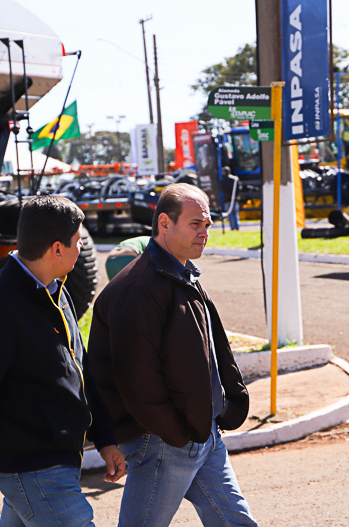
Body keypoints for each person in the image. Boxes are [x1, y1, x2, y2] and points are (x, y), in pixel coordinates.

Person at [0, 196, 125, 527]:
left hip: (50, 462)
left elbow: (80, 372)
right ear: (57, 249)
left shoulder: (56, 290)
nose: (81, 249)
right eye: (78, 241)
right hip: (33, 469)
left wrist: (105, 437)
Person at [88, 183, 256, 527]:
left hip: (201, 434)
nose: (204, 233)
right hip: (165, 441)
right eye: (195, 224)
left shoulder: (181, 273)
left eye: (207, 225)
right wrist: (177, 434)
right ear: (164, 223)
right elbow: (137, 378)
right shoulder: (139, 287)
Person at [221, 166, 241, 231]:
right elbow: (239, 188)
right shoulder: (235, 179)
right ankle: (236, 226)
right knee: (234, 213)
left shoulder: (224, 180)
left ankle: (233, 226)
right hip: (233, 198)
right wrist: (236, 195)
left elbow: (223, 189)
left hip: (228, 199)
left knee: (231, 213)